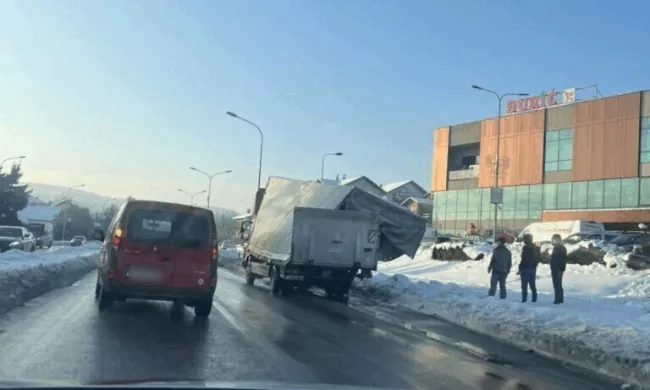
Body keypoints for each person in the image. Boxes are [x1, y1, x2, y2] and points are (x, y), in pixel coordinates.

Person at [519, 233, 540, 303]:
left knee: (524, 285)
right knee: (532, 285)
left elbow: (524, 259)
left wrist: (520, 267)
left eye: (524, 239)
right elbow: (538, 258)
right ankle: (534, 299)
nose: (524, 240)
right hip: (533, 268)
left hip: (525, 268)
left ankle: (524, 300)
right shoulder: (536, 247)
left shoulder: (526, 247)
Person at [550, 234, 567, 304]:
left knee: (557, 284)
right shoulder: (561, 247)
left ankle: (558, 300)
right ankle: (560, 299)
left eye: (553, 239)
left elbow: (557, 259)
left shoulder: (558, 248)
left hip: (557, 268)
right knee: (558, 284)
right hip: (559, 268)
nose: (552, 241)